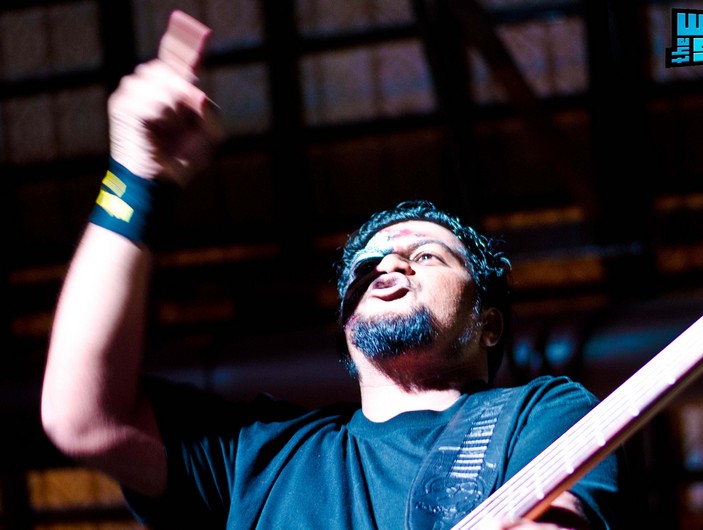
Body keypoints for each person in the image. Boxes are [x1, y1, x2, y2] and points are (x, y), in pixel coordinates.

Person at [40, 13, 624, 530]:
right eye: (367, 266)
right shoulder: (261, 456)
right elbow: (86, 419)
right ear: (346, 324)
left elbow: (563, 518)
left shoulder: (536, 412)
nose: (388, 261)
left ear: (489, 323)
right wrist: (134, 178)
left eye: (427, 255)